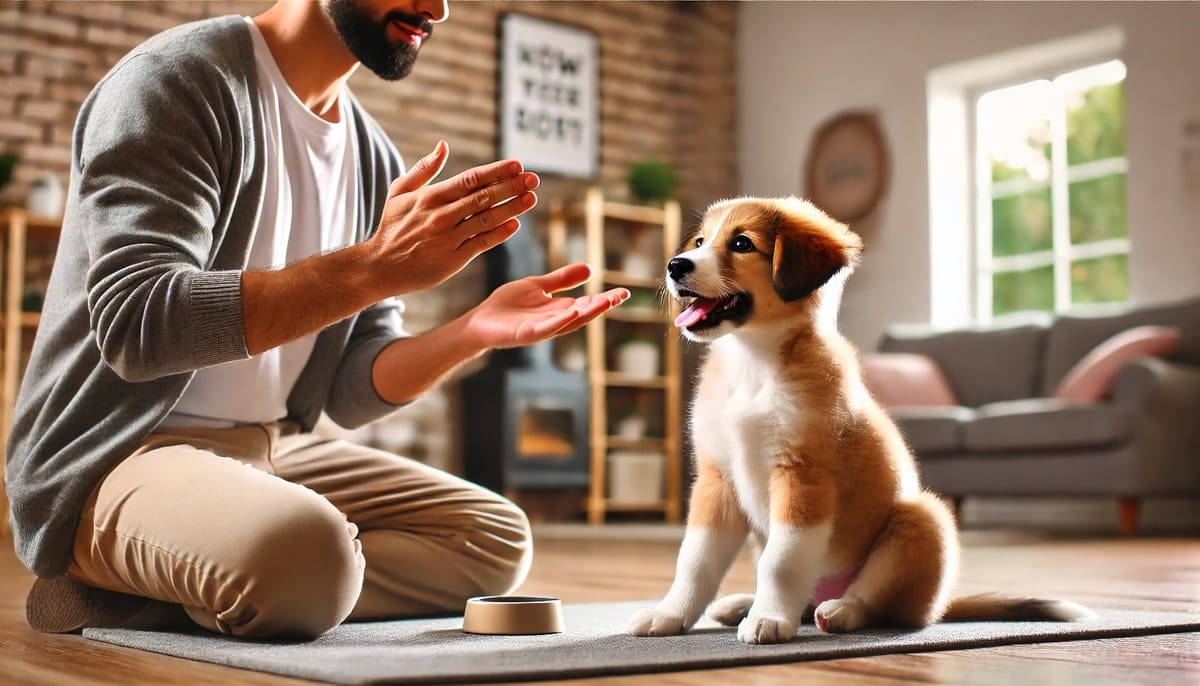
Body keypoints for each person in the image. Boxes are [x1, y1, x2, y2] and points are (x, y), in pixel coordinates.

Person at [5, 0, 629, 639]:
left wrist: (473, 332)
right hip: (117, 452)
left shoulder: (373, 156)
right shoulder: (176, 80)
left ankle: (167, 592)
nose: (436, 9)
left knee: (492, 540)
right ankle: (249, 570)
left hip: (271, 447)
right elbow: (138, 326)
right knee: (311, 555)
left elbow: (350, 391)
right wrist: (375, 267)